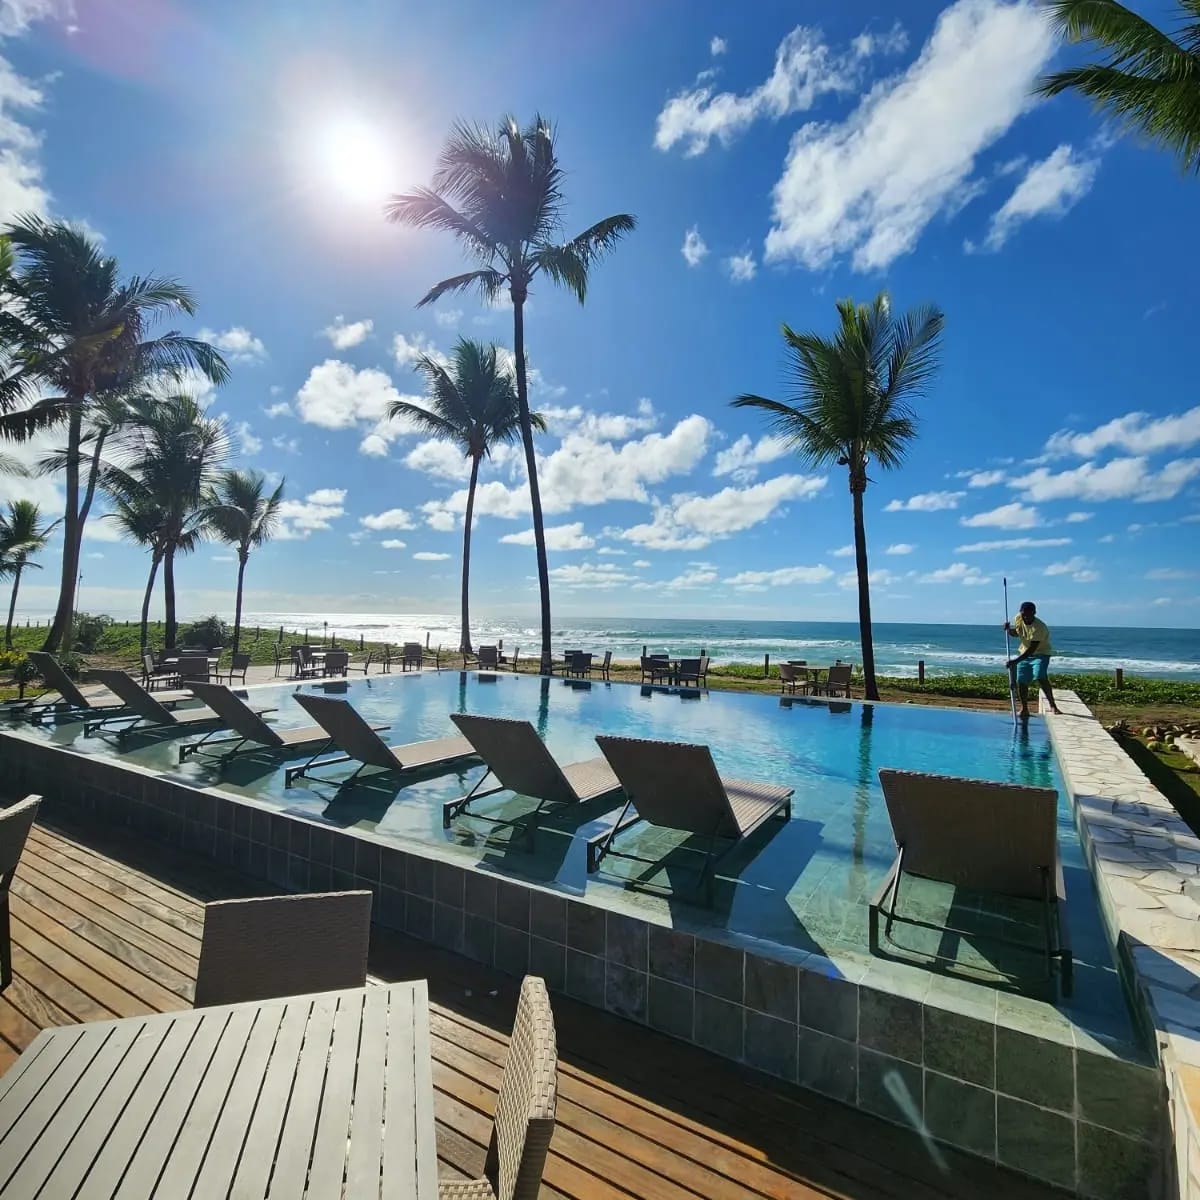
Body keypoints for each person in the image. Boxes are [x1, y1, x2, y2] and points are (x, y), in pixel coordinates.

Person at [1004, 600, 1061, 719]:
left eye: (1028, 614)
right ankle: (1024, 708)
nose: (1025, 617)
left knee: (1040, 675)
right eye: (1023, 614)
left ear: (1034, 613)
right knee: (1022, 681)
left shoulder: (1039, 627)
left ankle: (1053, 705)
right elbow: (1017, 633)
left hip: (1041, 654)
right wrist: (1009, 630)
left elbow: (1032, 649)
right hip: (1024, 653)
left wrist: (1015, 661)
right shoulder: (1018, 618)